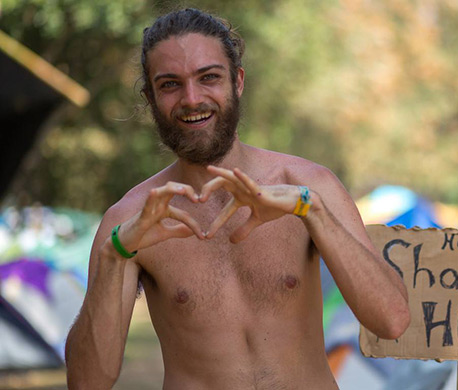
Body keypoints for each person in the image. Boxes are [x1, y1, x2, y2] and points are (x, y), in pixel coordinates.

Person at [65, 8, 409, 390]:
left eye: (208, 77)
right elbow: (86, 383)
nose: (192, 99)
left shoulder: (309, 187)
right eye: (170, 85)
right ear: (150, 97)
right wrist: (114, 256)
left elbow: (391, 321)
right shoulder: (129, 221)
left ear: (238, 81)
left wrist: (312, 212)